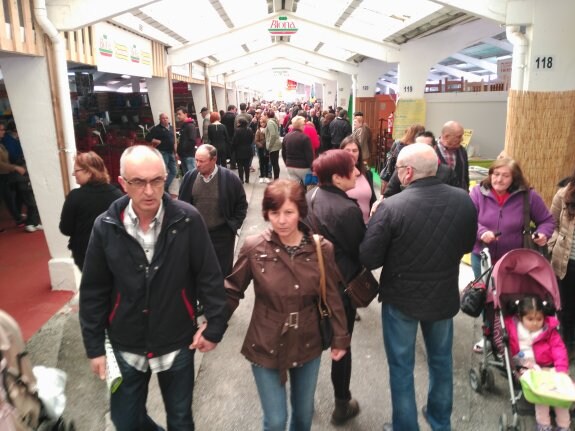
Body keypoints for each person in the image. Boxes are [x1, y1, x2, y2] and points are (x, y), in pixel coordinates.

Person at [79, 145, 228, 431]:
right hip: (125, 345)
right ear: (123, 183)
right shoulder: (106, 226)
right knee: (125, 420)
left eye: (156, 181)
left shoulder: (187, 219)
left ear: (166, 178)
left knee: (181, 420)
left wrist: (214, 325)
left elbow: (209, 275)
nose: (149, 191)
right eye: (138, 182)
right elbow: (94, 290)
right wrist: (94, 346)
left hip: (176, 343)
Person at [359, 143, 477, 431]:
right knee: (441, 362)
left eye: (399, 170)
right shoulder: (463, 200)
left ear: (408, 172)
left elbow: (369, 257)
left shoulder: (391, 206)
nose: (397, 175)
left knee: (401, 367)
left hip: (401, 300)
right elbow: (465, 245)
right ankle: (439, 421)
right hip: (443, 295)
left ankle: (405, 425)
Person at [225, 179, 350, 431]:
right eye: (274, 213)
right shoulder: (254, 247)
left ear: (301, 212)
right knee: (275, 420)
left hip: (308, 340)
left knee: (303, 417)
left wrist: (340, 338)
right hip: (265, 341)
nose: (281, 220)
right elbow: (231, 290)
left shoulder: (321, 248)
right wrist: (211, 328)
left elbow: (334, 296)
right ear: (266, 213)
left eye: (288, 212)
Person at [303, 149, 364, 425]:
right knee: (341, 343)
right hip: (339, 287)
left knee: (309, 343)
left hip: (308, 283)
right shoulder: (347, 209)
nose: (358, 173)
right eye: (352, 169)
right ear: (338, 177)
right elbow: (359, 250)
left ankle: (304, 401)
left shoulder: (308, 197)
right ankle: (342, 402)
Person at [178, 144, 247, 278]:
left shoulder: (230, 179)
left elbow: (241, 205)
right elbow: (181, 205)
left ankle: (222, 297)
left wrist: (232, 225)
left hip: (222, 235)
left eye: (201, 161)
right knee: (197, 271)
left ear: (214, 160)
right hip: (197, 234)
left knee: (221, 273)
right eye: (196, 160)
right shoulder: (189, 177)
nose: (197, 164)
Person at [504, 296, 570, 431]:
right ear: (520, 317)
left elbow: (559, 349)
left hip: (549, 365)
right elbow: (505, 346)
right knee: (542, 393)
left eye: (539, 319)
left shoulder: (549, 329)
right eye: (530, 319)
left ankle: (564, 425)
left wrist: (561, 369)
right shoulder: (513, 327)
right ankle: (543, 424)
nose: (535, 323)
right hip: (525, 366)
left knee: (562, 392)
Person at [59, 152, 123, 270]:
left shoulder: (75, 196)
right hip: (113, 252)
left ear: (88, 172)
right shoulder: (117, 194)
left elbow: (65, 229)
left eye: (76, 171)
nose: (73, 174)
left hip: (85, 254)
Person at [382, 130, 458, 199]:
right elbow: (389, 194)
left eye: (427, 146)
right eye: (419, 145)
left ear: (434, 148)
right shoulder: (403, 168)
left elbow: (453, 197)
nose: (423, 149)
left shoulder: (447, 172)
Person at [547, 168, 575, 354]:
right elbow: (552, 223)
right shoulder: (564, 194)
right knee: (565, 308)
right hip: (567, 262)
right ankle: (567, 346)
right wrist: (552, 245)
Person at [379, 123, 425, 194]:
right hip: (398, 180)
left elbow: (389, 161)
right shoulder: (410, 147)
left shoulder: (398, 143)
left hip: (392, 177)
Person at [340, 136, 376, 224]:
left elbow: (373, 200)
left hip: (367, 225)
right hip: (346, 226)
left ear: (359, 153)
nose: (351, 154)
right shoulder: (337, 176)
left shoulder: (367, 173)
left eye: (354, 151)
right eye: (347, 150)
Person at [145, 112, 177, 192]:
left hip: (171, 152)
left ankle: (165, 186)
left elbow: (174, 140)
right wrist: (155, 140)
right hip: (163, 152)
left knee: (174, 171)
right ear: (160, 120)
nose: (165, 120)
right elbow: (147, 137)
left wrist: (175, 151)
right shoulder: (156, 129)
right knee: (163, 171)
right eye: (163, 118)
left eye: (166, 118)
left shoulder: (171, 128)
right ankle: (160, 188)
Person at [435, 120, 469, 191]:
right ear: (446, 136)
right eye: (459, 137)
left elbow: (465, 177)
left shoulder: (462, 151)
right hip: (438, 197)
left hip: (459, 197)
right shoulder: (431, 151)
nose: (462, 139)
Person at [282, 116, 313, 184]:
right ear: (301, 125)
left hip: (290, 166)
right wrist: (313, 168)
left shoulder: (286, 137)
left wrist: (287, 163)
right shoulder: (305, 138)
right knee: (311, 185)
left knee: (295, 188)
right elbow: (309, 155)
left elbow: (283, 153)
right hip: (304, 167)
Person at [175, 107, 200, 175]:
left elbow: (192, 140)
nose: (178, 116)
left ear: (185, 114)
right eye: (177, 114)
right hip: (184, 155)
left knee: (192, 175)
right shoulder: (184, 126)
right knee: (187, 176)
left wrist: (184, 150)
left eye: (179, 114)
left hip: (189, 155)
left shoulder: (190, 126)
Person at [231, 118, 254, 184]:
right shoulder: (250, 130)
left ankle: (241, 179)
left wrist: (233, 149)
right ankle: (247, 179)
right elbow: (251, 139)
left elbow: (235, 141)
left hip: (239, 150)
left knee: (240, 165)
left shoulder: (237, 131)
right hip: (248, 149)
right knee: (247, 166)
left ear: (240, 123)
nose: (237, 123)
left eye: (238, 122)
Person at [264, 110, 282, 180]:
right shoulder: (273, 121)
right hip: (275, 145)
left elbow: (273, 135)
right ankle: (276, 178)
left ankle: (276, 179)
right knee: (275, 163)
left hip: (273, 145)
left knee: (274, 163)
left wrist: (269, 146)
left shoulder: (270, 122)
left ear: (267, 116)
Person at [255, 115, 270, 183]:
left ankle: (266, 176)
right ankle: (262, 176)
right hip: (261, 149)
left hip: (266, 148)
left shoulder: (268, 130)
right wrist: (260, 145)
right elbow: (256, 140)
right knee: (261, 162)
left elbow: (269, 139)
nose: (262, 124)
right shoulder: (258, 131)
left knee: (266, 162)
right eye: (261, 123)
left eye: (264, 123)